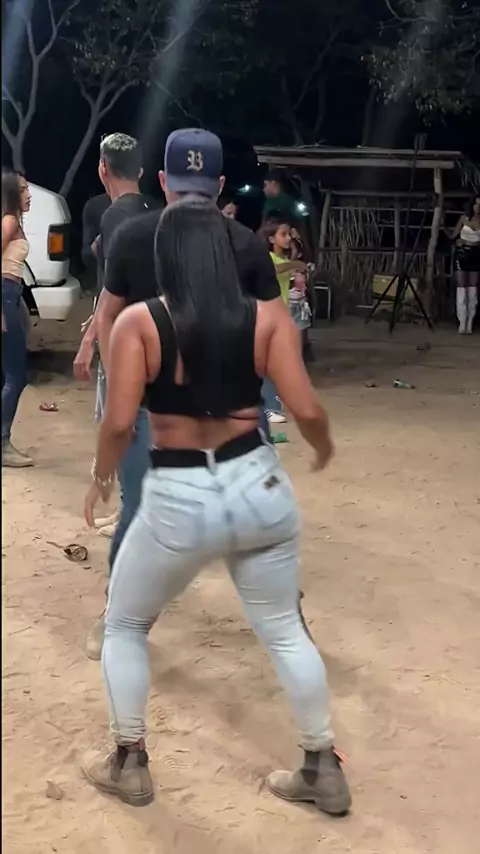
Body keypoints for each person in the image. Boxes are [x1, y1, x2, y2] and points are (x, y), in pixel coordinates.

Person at [81, 189, 351, 817]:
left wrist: (100, 476)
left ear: (166, 255)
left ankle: (129, 760)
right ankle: (321, 766)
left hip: (179, 493)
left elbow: (118, 423)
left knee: (126, 624)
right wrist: (321, 447)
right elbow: (307, 410)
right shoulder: (265, 319)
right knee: (284, 629)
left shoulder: (141, 322)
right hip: (257, 482)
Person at [259, 220, 307, 425]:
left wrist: (296, 243)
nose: (287, 238)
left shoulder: (283, 259)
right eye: (283, 234)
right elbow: (274, 270)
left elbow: (293, 261)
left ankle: (271, 406)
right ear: (271, 239)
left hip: (281, 316)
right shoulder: (267, 258)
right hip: (268, 317)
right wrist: (295, 265)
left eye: (289, 234)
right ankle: (270, 408)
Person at [2, 169, 33, 467]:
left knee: (6, 374)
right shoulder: (9, 221)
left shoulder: (13, 221)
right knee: (16, 374)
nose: (29, 194)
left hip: (12, 293)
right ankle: (2, 444)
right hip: (4, 294)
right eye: (23, 189)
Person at [448, 195, 480, 334]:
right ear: (472, 205)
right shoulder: (463, 218)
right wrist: (456, 241)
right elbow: (453, 236)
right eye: (476, 204)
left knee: (473, 288)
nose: (478, 207)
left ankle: (470, 321)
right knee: (461, 287)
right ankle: (462, 320)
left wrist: (475, 243)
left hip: (476, 254)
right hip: (461, 254)